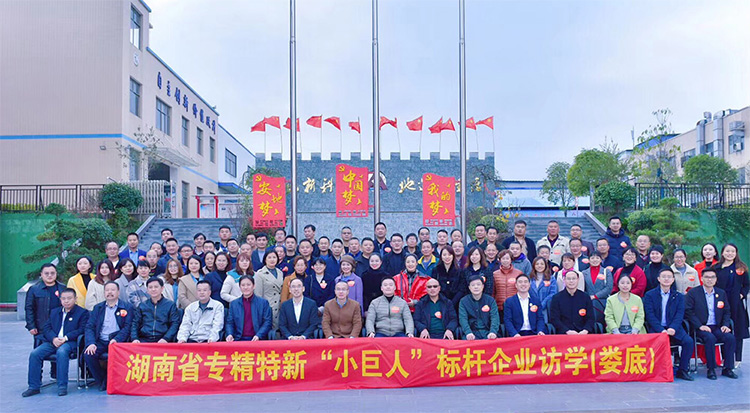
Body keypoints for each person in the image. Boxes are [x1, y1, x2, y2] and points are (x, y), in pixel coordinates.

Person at [22, 288, 88, 397]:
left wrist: (66, 338)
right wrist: (53, 339)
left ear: (75, 299)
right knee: (35, 354)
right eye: (63, 299)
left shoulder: (82, 313)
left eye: (69, 298)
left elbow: (82, 329)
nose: (66, 301)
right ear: (60, 300)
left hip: (70, 342)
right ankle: (33, 387)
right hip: (53, 341)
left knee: (61, 352)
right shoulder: (54, 312)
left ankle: (62, 386)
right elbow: (47, 328)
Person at [685, 269, 738, 379]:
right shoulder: (693, 293)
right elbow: (688, 312)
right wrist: (700, 326)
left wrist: (725, 325)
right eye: (707, 277)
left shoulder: (721, 293)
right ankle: (711, 369)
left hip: (716, 326)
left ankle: (728, 368)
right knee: (710, 338)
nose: (710, 280)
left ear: (716, 279)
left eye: (712, 277)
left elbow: (726, 311)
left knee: (730, 338)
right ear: (701, 278)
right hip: (700, 327)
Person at [643, 268, 695, 380]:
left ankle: (683, 370)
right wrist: (661, 330)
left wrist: (673, 328)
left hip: (674, 328)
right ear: (658, 279)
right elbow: (649, 315)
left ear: (673, 279)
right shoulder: (650, 295)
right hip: (657, 328)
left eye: (669, 277)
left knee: (688, 341)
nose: (666, 279)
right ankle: (656, 370)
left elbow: (679, 314)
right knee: (654, 342)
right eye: (664, 277)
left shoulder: (679, 296)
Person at [84, 281, 134, 391]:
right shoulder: (98, 308)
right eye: (107, 290)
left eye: (112, 290)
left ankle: (109, 381)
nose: (110, 292)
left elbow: (127, 327)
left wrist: (117, 339)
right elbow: (90, 327)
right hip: (100, 340)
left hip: (117, 342)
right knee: (88, 354)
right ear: (104, 293)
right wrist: (91, 343)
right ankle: (102, 380)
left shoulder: (127, 307)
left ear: (118, 292)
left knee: (118, 355)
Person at [712, 243, 749, 366]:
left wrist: (741, 294)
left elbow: (747, 285)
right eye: (727, 251)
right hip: (720, 303)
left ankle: (737, 358)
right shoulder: (716, 267)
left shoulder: (741, 268)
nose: (730, 254)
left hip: (736, 304)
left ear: (736, 253)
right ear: (722, 252)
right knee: (723, 329)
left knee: (738, 330)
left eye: (732, 251)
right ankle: (725, 358)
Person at [25, 263, 66, 356]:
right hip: (41, 327)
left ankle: (56, 366)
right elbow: (29, 308)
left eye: (52, 273)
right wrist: (31, 326)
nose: (49, 275)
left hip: (58, 326)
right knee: (38, 353)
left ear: (56, 273)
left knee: (58, 353)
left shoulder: (62, 288)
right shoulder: (34, 289)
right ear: (41, 274)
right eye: (46, 273)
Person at [130, 277, 181, 343]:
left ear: (162, 288)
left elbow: (175, 323)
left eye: (156, 287)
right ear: (147, 290)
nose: (153, 289)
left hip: (164, 340)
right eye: (150, 287)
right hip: (144, 339)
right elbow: (135, 323)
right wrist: (134, 338)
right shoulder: (142, 305)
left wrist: (166, 338)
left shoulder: (170, 305)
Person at [225, 275, 274, 341]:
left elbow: (267, 322)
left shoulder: (263, 303)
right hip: (239, 339)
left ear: (254, 286)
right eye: (243, 285)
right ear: (239, 287)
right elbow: (230, 322)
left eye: (248, 285)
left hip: (258, 339)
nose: (246, 287)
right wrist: (229, 334)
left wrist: (259, 335)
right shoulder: (234, 304)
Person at [550, 270, 595, 334]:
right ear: (564, 280)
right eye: (568, 279)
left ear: (578, 280)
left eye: (574, 279)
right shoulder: (556, 298)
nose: (571, 281)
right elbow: (554, 319)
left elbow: (591, 318)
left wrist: (585, 330)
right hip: (564, 333)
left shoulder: (585, 297)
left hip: (583, 333)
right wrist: (567, 331)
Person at [458, 275, 500, 340]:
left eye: (478, 284)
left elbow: (495, 317)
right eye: (473, 285)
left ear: (483, 286)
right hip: (471, 333)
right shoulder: (463, 301)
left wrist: (493, 332)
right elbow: (463, 319)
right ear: (469, 287)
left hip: (488, 332)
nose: (476, 287)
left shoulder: (490, 300)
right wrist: (468, 332)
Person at [254, 251, 284, 330]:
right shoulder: (260, 274)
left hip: (279, 306)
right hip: (268, 306)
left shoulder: (280, 272)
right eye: (269, 257)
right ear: (265, 259)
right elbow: (258, 295)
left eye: (274, 257)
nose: (272, 260)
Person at [582, 252, 613, 322]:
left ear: (601, 260)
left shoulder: (606, 271)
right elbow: (583, 288)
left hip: (603, 301)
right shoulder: (584, 273)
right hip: (589, 302)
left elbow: (609, 288)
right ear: (588, 260)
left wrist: (595, 296)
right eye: (592, 258)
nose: (595, 260)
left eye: (597, 258)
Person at [492, 249, 521, 318]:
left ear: (511, 260)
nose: (505, 261)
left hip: (515, 306)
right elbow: (493, 292)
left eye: (507, 258)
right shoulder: (495, 274)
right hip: (499, 307)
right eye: (503, 258)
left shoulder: (518, 273)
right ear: (499, 260)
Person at [529, 257, 557, 322]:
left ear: (545, 265)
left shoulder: (551, 279)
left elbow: (553, 293)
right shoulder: (530, 279)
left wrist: (542, 304)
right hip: (531, 308)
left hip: (545, 309)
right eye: (537, 264)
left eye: (542, 264)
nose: (539, 266)